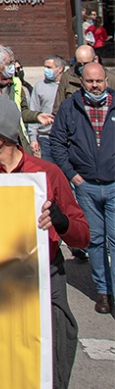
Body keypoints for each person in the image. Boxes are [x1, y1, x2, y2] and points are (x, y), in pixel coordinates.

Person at [0, 95, 89, 389]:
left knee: (57, 340)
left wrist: (61, 221)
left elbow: (83, 236)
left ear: (3, 133)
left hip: (45, 275)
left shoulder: (47, 174)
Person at [50, 62, 115, 315]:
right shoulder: (70, 107)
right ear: (82, 82)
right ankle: (103, 292)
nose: (95, 86)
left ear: (106, 81)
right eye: (90, 81)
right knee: (95, 240)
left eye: (99, 81)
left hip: (113, 184)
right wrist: (72, 175)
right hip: (86, 185)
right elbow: (57, 142)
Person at [0, 44, 52, 153]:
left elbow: (21, 111)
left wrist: (37, 116)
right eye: (9, 63)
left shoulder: (16, 83)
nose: (13, 66)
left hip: (16, 141)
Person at [52, 45, 115, 116]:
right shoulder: (68, 77)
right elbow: (58, 109)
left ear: (95, 59)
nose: (83, 67)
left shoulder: (111, 78)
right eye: (79, 64)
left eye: (86, 63)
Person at [28, 55, 65, 163]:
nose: (46, 70)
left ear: (60, 69)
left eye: (49, 67)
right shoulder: (39, 86)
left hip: (65, 138)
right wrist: (33, 138)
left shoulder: (67, 86)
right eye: (45, 67)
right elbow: (34, 111)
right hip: (46, 138)